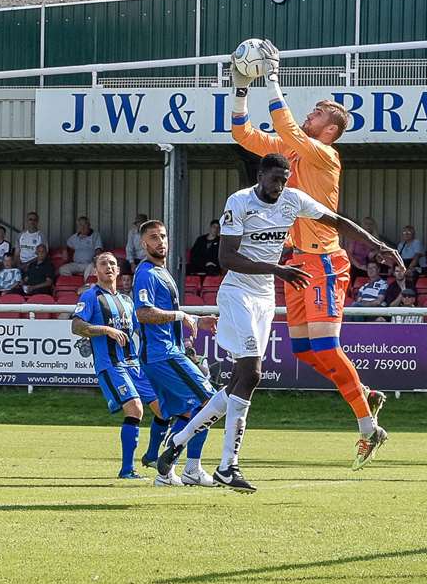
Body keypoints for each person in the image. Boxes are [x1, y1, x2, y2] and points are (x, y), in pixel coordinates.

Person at [157, 153, 396, 491]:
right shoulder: (239, 202)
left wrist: (377, 244)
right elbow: (227, 258)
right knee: (252, 373)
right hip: (238, 293)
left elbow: (336, 221)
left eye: (285, 179)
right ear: (261, 175)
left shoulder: (292, 199)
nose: (280, 185)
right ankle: (229, 465)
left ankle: (177, 443)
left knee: (238, 383)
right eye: (275, 179)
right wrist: (277, 269)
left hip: (264, 299)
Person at [229, 43, 396, 467]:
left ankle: (366, 426)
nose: (312, 113)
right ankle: (363, 393)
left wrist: (271, 78)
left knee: (325, 343)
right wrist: (240, 90)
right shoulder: (294, 151)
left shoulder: (324, 155)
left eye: (319, 112)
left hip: (323, 259)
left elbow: (287, 130)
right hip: (295, 264)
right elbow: (243, 135)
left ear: (330, 131)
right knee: (304, 350)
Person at [132, 219, 220, 486]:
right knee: (210, 402)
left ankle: (165, 474)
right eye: (153, 237)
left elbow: (165, 315)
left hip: (165, 353)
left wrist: (194, 318)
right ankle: (192, 468)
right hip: (163, 355)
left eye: (163, 236)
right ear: (143, 243)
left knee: (185, 413)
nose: (160, 242)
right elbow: (143, 313)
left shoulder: (163, 273)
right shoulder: (146, 273)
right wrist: (182, 315)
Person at [73, 251, 162, 480]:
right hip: (111, 365)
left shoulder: (127, 300)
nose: (109, 267)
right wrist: (106, 330)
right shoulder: (90, 297)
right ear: (96, 271)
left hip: (134, 365)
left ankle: (151, 456)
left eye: (113, 263)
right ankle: (126, 470)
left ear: (119, 271)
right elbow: (76, 326)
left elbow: (139, 329)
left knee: (165, 408)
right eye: (103, 264)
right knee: (135, 409)